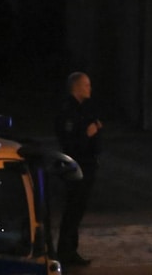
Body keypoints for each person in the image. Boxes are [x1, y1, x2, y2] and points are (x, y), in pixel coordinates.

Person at [55, 71, 103, 268]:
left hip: (88, 166)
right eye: (86, 85)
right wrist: (89, 133)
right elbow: (71, 144)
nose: (89, 89)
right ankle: (64, 253)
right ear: (76, 87)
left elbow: (95, 133)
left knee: (78, 211)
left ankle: (71, 251)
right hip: (76, 168)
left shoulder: (84, 109)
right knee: (73, 211)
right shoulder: (69, 112)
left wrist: (95, 132)